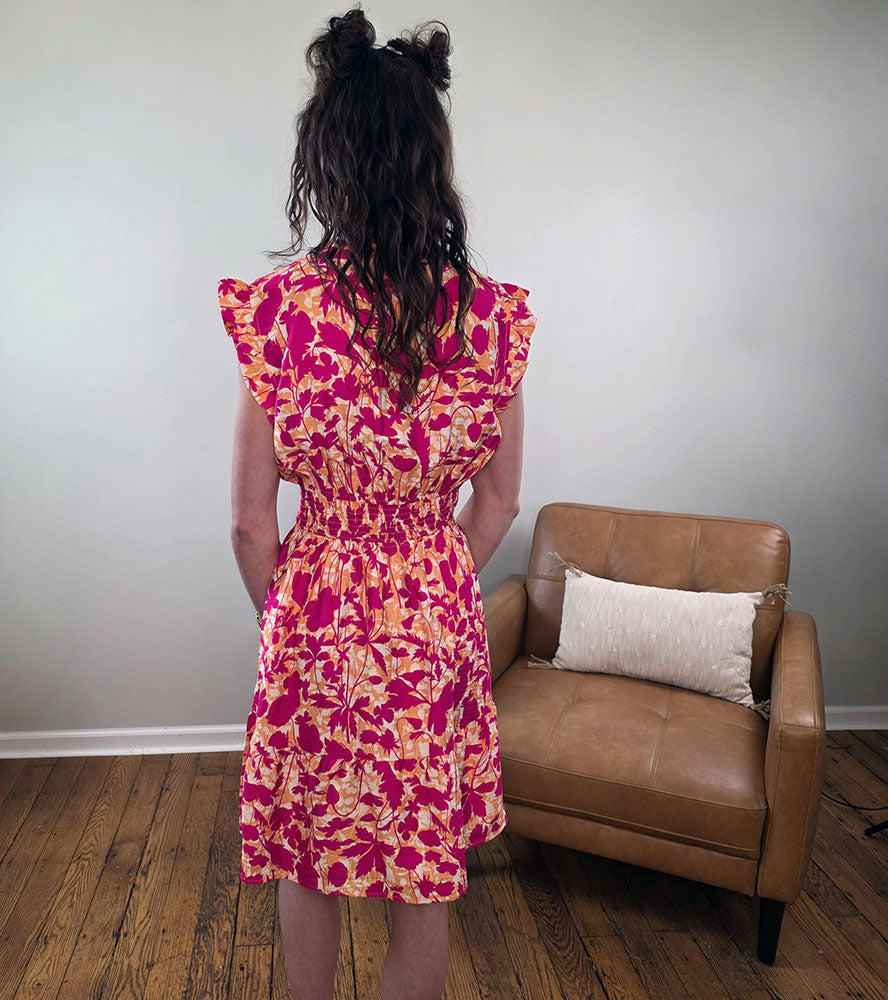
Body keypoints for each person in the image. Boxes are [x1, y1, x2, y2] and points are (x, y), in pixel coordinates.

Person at [218, 8, 535, 999]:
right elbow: (498, 501)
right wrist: (427, 576)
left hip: (312, 612)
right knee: (421, 867)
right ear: (428, 160)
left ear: (329, 160)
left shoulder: (279, 314)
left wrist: (298, 612)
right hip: (433, 617)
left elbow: (248, 519)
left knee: (309, 856)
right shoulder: (491, 317)